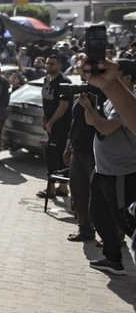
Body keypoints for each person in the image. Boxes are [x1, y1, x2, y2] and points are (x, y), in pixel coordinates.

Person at [79, 59, 136, 275]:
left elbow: (105, 126)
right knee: (98, 214)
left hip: (121, 172)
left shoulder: (130, 101)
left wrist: (90, 110)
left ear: (128, 78)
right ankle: (113, 259)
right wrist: (90, 105)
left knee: (125, 220)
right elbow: (90, 122)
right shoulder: (113, 100)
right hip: (103, 168)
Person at [63, 75, 99, 243]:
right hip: (78, 149)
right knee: (78, 192)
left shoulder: (104, 95)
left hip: (97, 153)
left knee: (101, 196)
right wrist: (68, 147)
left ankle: (113, 236)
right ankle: (85, 229)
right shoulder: (81, 95)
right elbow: (74, 123)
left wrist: (90, 105)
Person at [37, 55, 72, 198]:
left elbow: (63, 106)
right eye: (47, 63)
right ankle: (62, 188)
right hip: (51, 124)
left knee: (54, 155)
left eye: (52, 64)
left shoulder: (64, 82)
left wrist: (51, 121)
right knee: (55, 156)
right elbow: (46, 102)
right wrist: (45, 119)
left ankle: (51, 188)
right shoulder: (46, 80)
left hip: (61, 126)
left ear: (59, 66)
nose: (48, 66)